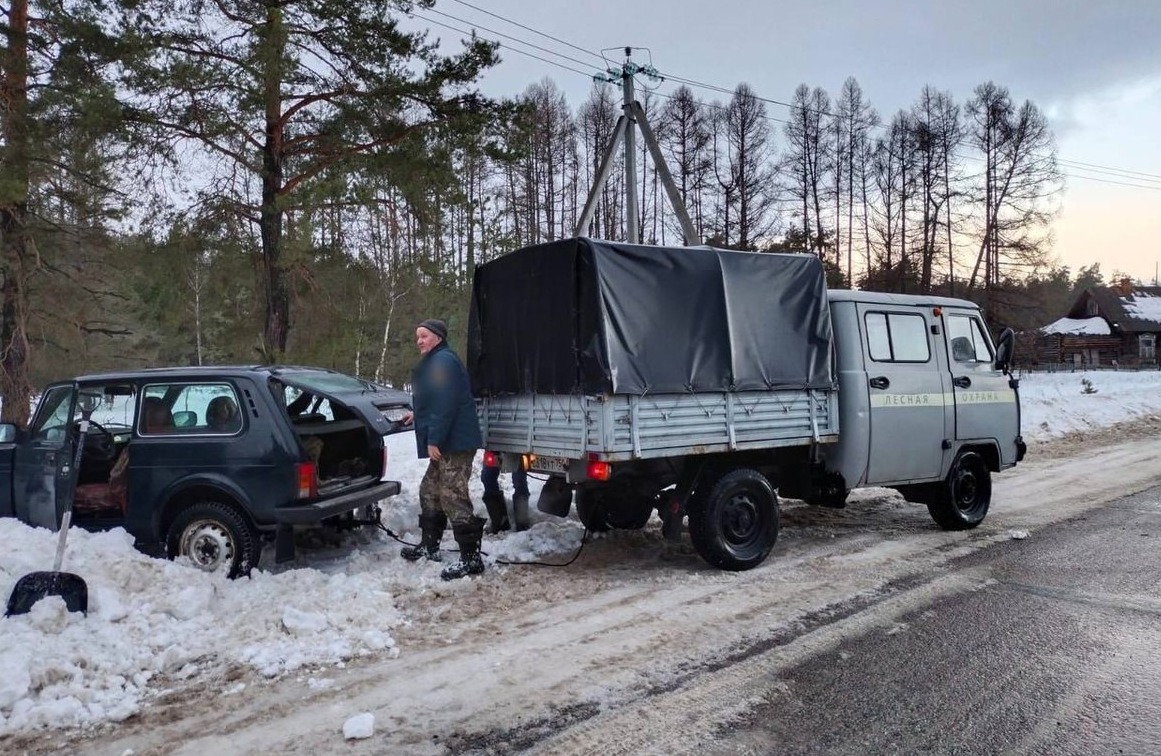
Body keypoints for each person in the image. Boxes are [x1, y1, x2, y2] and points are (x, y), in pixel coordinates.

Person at [399, 318, 486, 580]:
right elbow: (434, 398)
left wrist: (434, 438)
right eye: (417, 337)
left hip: (454, 443)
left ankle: (471, 559)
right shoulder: (437, 361)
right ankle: (429, 545)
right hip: (446, 439)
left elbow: (445, 404)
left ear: (437, 337)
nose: (419, 341)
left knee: (452, 495)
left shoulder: (443, 362)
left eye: (424, 336)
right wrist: (418, 414)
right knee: (429, 490)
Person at [481, 463, 531, 533]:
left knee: (519, 479)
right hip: (497, 452)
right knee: (488, 476)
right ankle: (500, 522)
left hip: (518, 453)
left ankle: (522, 523)